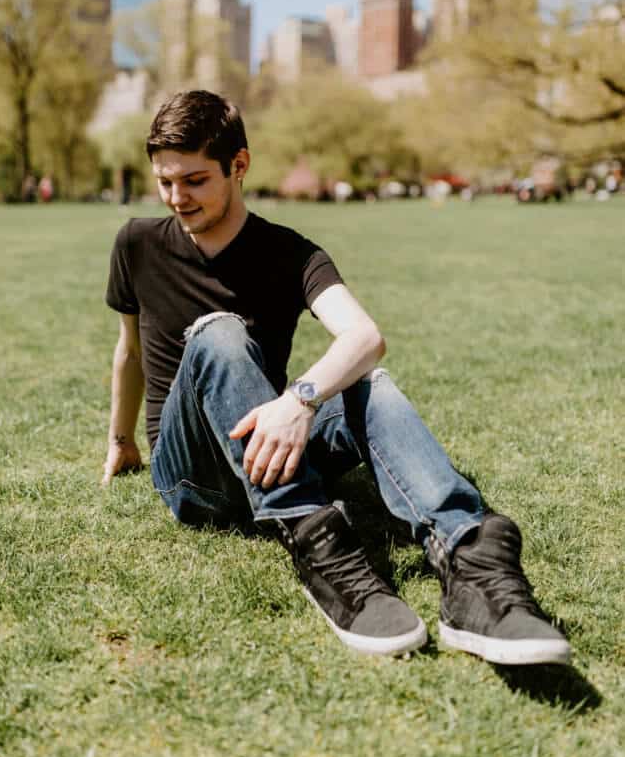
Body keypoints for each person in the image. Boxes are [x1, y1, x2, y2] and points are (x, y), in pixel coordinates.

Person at [103, 90, 570, 667]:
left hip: (268, 443)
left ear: (239, 166)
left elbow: (364, 337)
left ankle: (470, 560)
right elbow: (129, 351)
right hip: (194, 475)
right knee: (217, 333)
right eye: (165, 181)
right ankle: (318, 543)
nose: (177, 197)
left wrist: (300, 400)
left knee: (370, 383)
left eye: (195, 180)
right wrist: (122, 442)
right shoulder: (136, 243)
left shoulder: (291, 254)